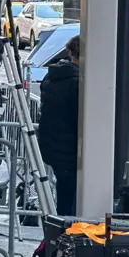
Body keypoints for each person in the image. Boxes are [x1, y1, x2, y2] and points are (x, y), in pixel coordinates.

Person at [38, 35, 80, 216]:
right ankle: (64, 235)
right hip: (68, 149)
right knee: (69, 198)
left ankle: (59, 234)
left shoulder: (54, 75)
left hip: (53, 145)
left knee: (64, 193)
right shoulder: (76, 82)